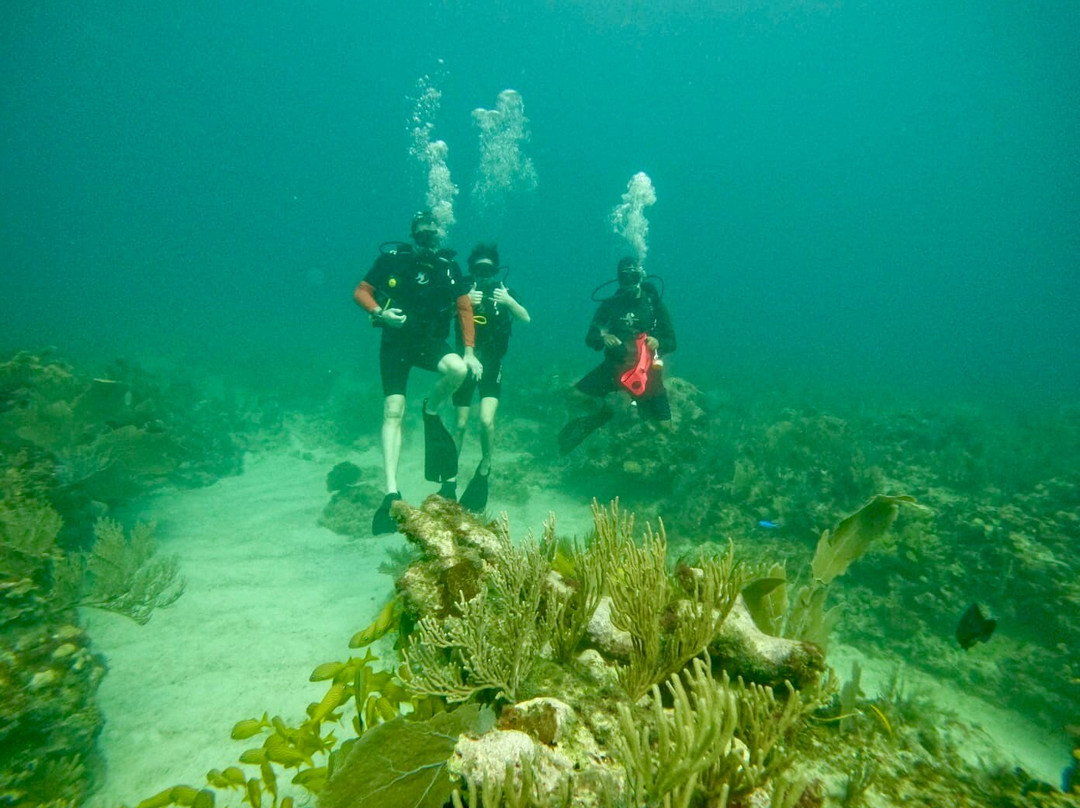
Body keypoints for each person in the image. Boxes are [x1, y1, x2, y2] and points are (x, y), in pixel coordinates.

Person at [353, 211, 482, 534]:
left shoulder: (448, 268)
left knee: (457, 370)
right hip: (395, 342)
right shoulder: (393, 260)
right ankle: (392, 492)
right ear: (413, 235)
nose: (427, 239)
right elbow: (361, 291)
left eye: (432, 234)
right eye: (421, 234)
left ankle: (431, 407)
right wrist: (380, 313)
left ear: (439, 237)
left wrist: (468, 351)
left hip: (428, 342)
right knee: (393, 409)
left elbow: (465, 309)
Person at [557, 256, 676, 455]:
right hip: (613, 367)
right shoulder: (610, 305)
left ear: (641, 276)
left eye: (634, 276)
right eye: (624, 277)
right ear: (618, 279)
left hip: (646, 373)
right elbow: (591, 338)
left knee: (665, 428)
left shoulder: (654, 305)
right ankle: (605, 414)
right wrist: (603, 337)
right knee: (574, 396)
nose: (629, 282)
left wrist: (659, 343)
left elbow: (671, 341)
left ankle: (630, 417)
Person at [451, 244, 530, 511]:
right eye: (478, 270)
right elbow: (440, 316)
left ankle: (485, 466)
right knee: (460, 424)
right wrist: (461, 302)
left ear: (496, 271)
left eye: (488, 270)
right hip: (465, 363)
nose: (483, 276)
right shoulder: (462, 290)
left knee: (486, 421)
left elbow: (526, 318)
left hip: (493, 365)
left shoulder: (502, 292)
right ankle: (450, 478)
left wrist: (509, 301)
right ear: (471, 270)